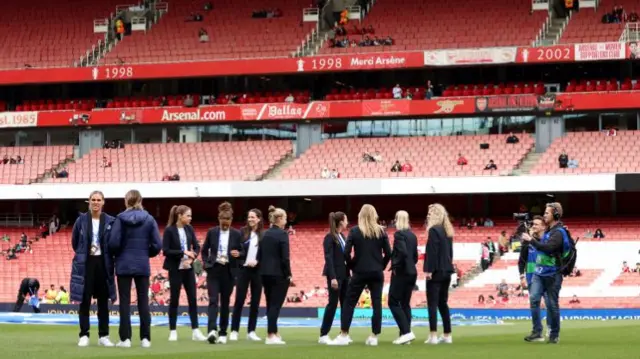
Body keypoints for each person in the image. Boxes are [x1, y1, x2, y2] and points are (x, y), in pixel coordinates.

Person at [108, 189, 162, 348]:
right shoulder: (149, 219)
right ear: (140, 200)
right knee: (143, 301)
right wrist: (146, 253)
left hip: (124, 264)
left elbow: (113, 243)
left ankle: (125, 339)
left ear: (126, 201)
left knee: (124, 302)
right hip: (142, 263)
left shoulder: (120, 218)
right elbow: (157, 245)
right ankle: (145, 338)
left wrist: (118, 254)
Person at [330, 204, 391, 346]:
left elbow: (346, 253)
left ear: (361, 216)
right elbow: (388, 253)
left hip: (360, 272)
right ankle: (374, 336)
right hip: (376, 272)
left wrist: (352, 265)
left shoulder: (355, 231)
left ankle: (344, 334)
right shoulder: (381, 232)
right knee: (377, 304)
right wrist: (381, 266)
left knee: (349, 303)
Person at [71, 191, 117, 347]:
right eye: (93, 199)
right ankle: (84, 334)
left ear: (103, 202)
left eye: (99, 200)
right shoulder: (81, 220)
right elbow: (75, 242)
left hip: (103, 263)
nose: (96, 202)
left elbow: (113, 243)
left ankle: (103, 335)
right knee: (84, 301)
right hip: (86, 263)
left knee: (103, 302)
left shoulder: (111, 221)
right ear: (89, 202)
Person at [521, 202, 567, 344]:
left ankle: (554, 334)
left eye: (547, 213)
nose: (545, 214)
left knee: (552, 304)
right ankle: (537, 331)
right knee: (534, 299)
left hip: (553, 274)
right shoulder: (548, 232)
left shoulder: (559, 233)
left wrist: (531, 240)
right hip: (539, 273)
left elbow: (548, 248)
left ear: (556, 215)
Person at [162, 205, 207, 342]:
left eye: (190, 215)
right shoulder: (169, 230)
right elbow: (166, 251)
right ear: (180, 215)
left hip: (188, 269)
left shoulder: (189, 229)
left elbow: (197, 246)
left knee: (192, 299)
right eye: (188, 215)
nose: (190, 218)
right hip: (175, 269)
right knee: (174, 299)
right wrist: (183, 252)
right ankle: (173, 331)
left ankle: (195, 330)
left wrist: (192, 258)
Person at [201, 202, 244, 344]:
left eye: (227, 223)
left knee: (225, 303)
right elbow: (204, 250)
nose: (224, 225)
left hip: (229, 271)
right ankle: (211, 330)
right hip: (214, 269)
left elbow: (243, 251)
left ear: (231, 221)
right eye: (222, 223)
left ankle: (223, 332)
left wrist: (238, 253)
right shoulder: (212, 232)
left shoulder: (237, 234)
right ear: (219, 220)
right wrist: (207, 264)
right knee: (213, 300)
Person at [258, 205, 292, 345]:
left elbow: (260, 254)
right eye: (284, 218)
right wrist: (288, 273)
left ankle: (274, 332)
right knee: (275, 305)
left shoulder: (264, 234)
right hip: (278, 273)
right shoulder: (283, 234)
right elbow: (285, 257)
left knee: (270, 303)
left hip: (265, 273)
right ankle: (271, 335)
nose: (286, 220)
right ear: (279, 219)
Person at [230, 209, 264, 342]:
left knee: (255, 302)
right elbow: (236, 249)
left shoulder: (263, 235)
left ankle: (251, 331)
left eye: (253, 217)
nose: (250, 219)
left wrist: (257, 262)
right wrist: (239, 255)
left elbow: (265, 254)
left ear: (259, 219)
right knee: (239, 300)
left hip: (257, 271)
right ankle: (234, 330)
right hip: (243, 270)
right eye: (249, 217)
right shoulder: (242, 232)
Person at [424, 203, 455, 345]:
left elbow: (432, 252)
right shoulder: (447, 231)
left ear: (435, 214)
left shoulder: (433, 230)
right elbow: (450, 253)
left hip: (436, 272)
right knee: (443, 303)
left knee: (432, 304)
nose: (428, 215)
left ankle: (433, 335)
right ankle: (447, 334)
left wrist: (429, 270)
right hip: (447, 271)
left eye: (430, 212)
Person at [319, 211, 350, 344]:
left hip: (345, 275)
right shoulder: (329, 237)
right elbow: (329, 258)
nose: (347, 222)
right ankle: (323, 334)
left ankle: (344, 333)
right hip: (335, 276)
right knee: (332, 303)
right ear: (341, 222)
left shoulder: (342, 236)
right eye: (346, 219)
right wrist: (332, 277)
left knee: (345, 304)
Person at [388, 211, 418, 345]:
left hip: (401, 272)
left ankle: (406, 332)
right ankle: (405, 335)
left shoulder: (399, 234)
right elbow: (415, 257)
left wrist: (395, 265)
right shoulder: (413, 235)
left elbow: (402, 252)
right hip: (412, 272)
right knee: (405, 303)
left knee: (393, 302)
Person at [518, 215, 549, 337]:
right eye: (533, 224)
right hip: (532, 276)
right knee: (534, 303)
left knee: (550, 303)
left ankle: (551, 328)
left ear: (543, 226)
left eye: (536, 224)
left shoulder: (549, 240)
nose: (533, 226)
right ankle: (537, 330)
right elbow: (521, 261)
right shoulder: (527, 242)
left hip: (547, 275)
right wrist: (521, 276)